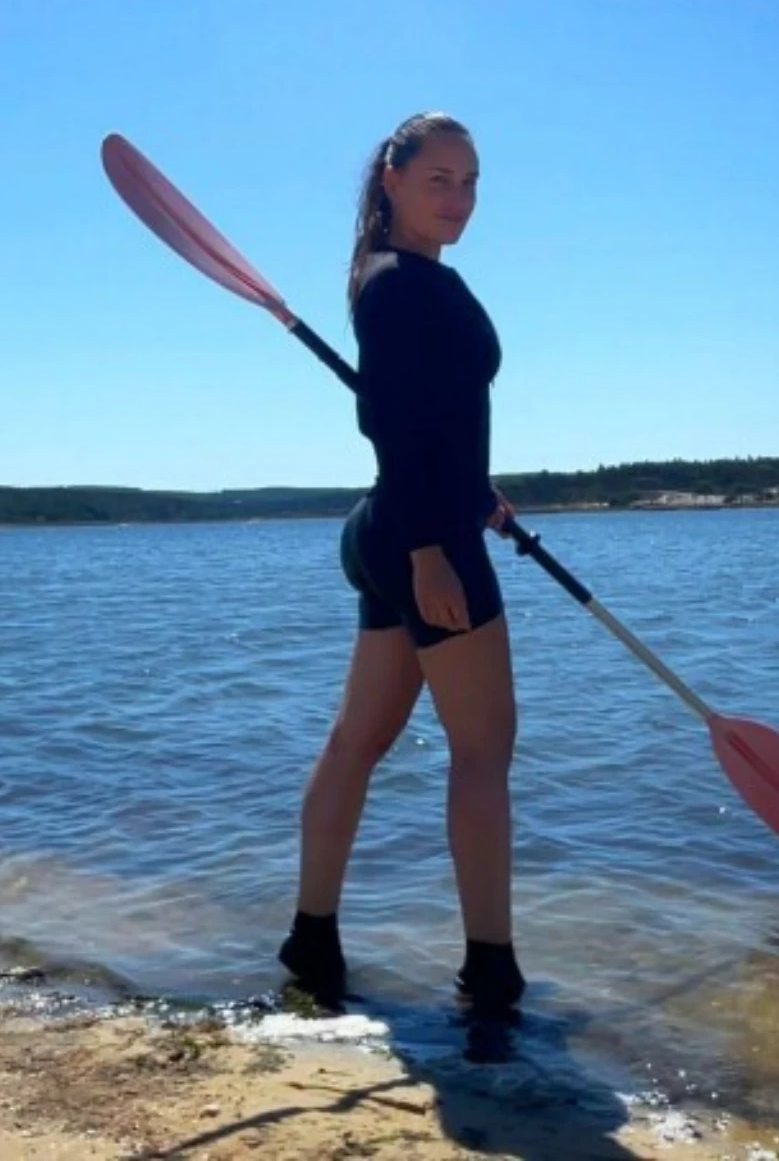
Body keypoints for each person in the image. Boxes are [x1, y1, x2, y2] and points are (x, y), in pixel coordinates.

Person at [277, 111, 525, 1016]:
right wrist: (431, 549)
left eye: (471, 182)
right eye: (439, 180)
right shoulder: (395, 286)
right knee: (484, 753)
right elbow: (385, 422)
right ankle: (491, 974)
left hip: (398, 527)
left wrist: (475, 489)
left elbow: (434, 416)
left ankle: (311, 941)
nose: (459, 199)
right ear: (393, 179)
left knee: (357, 743)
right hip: (419, 538)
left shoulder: (398, 277)